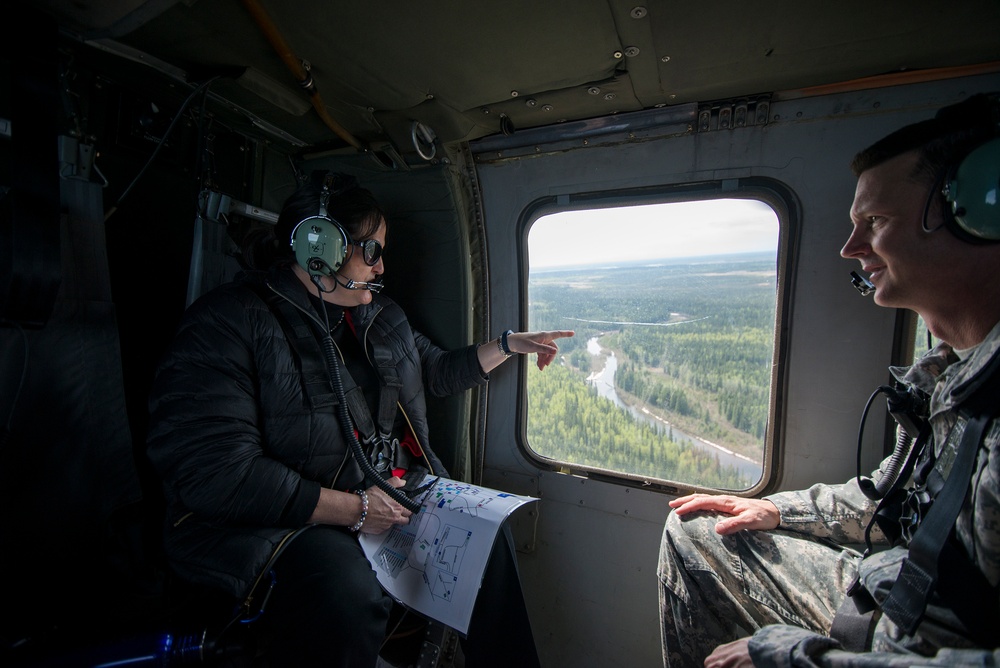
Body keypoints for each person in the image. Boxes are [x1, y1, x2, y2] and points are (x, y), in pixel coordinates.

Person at [146, 170, 574, 667]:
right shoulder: (226, 323)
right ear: (321, 248)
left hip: (381, 493)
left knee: (485, 535)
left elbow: (433, 370)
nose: (381, 265)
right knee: (345, 590)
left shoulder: (379, 315)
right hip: (278, 520)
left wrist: (506, 345)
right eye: (371, 251)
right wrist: (354, 510)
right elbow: (217, 473)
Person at [657, 93, 1000, 667]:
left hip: (931, 636)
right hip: (905, 594)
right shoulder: (954, 376)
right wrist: (779, 511)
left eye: (876, 221)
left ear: (979, 214)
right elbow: (894, 503)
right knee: (698, 532)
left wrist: (791, 656)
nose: (850, 248)